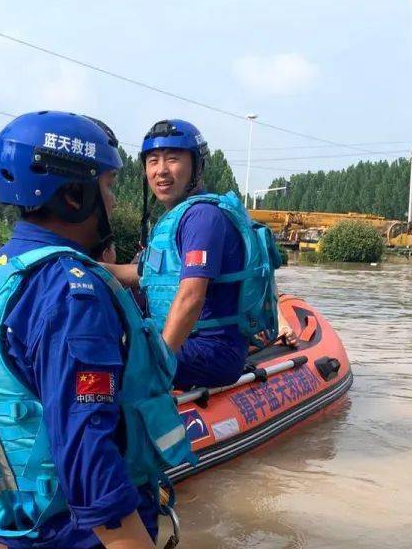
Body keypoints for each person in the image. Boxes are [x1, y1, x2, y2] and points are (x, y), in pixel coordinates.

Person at [0, 111, 204, 549]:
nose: (113, 201)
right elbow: (84, 448)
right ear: (75, 196)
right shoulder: (70, 292)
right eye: (107, 186)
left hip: (28, 532)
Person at [104, 119, 280, 391]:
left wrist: (157, 363)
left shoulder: (202, 217)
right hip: (187, 344)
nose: (161, 171)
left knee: (101, 361)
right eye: (153, 161)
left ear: (197, 166)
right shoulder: (178, 217)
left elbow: (191, 296)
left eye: (173, 159)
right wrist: (81, 265)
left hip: (211, 350)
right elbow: (141, 275)